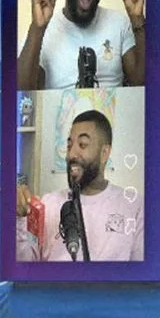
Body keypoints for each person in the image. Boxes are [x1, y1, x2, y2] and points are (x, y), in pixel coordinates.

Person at [17, 108, 143, 263]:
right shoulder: (48, 204)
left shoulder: (133, 205)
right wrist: (20, 218)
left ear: (104, 153)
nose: (71, 154)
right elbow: (25, 265)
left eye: (82, 144)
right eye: (69, 145)